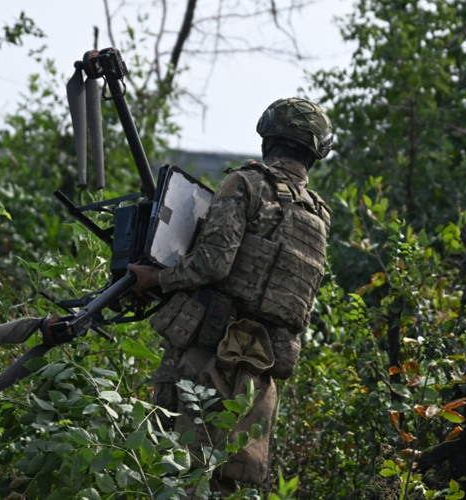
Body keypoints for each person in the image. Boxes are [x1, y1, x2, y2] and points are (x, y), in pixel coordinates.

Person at [128, 97, 332, 496]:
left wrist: (157, 278)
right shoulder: (318, 214)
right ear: (314, 153)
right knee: (227, 485)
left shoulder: (247, 183)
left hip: (206, 358)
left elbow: (213, 264)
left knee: (172, 471)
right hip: (259, 373)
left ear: (268, 138)